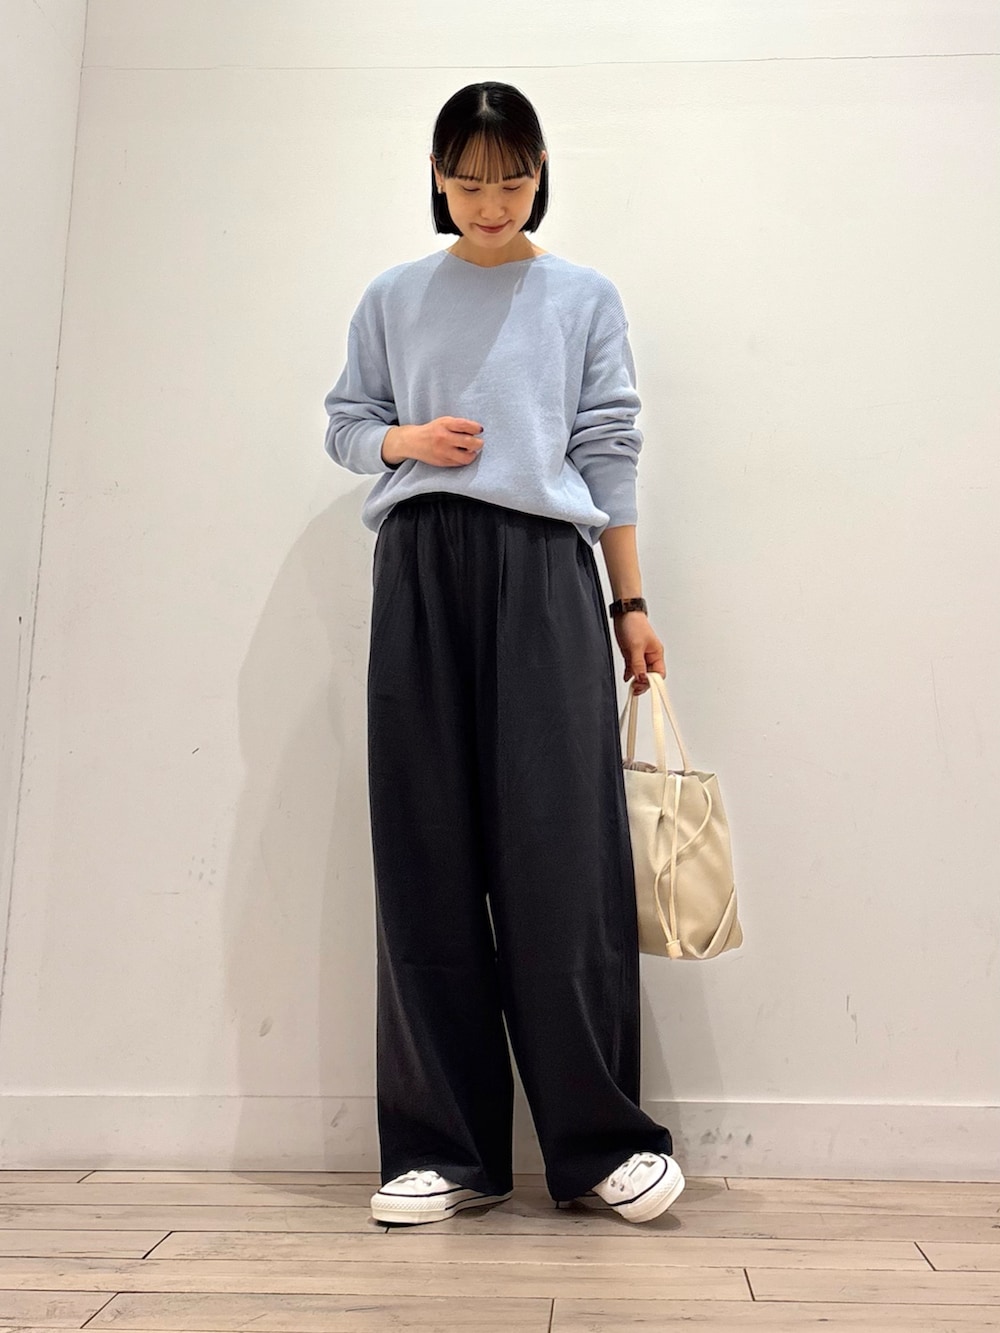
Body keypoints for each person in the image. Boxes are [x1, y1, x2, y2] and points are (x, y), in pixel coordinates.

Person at [323, 81, 685, 1228]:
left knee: (561, 852)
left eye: (512, 177)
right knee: (425, 848)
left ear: (539, 175)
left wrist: (629, 602)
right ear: (438, 177)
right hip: (419, 567)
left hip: (542, 570)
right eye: (469, 179)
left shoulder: (581, 295)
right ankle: (445, 1150)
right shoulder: (394, 295)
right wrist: (404, 439)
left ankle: (600, 1142)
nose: (490, 200)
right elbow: (344, 422)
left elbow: (608, 445)